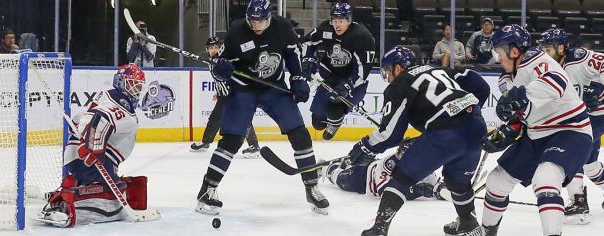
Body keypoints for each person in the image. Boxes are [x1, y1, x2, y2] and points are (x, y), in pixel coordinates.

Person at [194, 0, 329, 216]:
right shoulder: (237, 31)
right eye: (253, 21)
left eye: (261, 21)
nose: (256, 25)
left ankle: (312, 187)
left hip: (273, 88)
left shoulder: (282, 27)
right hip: (243, 90)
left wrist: (297, 79)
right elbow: (222, 68)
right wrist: (223, 69)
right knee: (232, 140)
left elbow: (293, 55)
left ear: (270, 17)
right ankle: (206, 191)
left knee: (300, 134)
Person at [356, 45, 489, 236]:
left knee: (402, 177)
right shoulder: (441, 69)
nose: (388, 78)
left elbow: (391, 134)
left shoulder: (400, 83)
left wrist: (365, 146)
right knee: (457, 181)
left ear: (399, 68)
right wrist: (464, 113)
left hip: (445, 134)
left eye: (388, 71)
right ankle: (468, 222)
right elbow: (481, 86)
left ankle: (379, 229)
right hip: (476, 126)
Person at [480, 25, 593, 236]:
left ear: (514, 51)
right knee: (497, 181)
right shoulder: (507, 76)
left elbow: (556, 83)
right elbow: (523, 114)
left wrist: (524, 95)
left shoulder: (535, 60)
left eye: (500, 53)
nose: (498, 59)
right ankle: (487, 231)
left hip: (570, 130)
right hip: (537, 134)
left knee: (546, 177)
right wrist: (509, 129)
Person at [36, 64, 151, 227]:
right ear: (120, 82)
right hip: (90, 158)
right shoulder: (120, 103)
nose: (137, 90)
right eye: (133, 84)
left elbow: (77, 121)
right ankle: (66, 209)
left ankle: (67, 193)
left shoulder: (109, 96)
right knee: (113, 202)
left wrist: (89, 143)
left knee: (112, 189)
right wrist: (93, 147)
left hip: (83, 155)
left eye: (139, 86)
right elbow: (101, 118)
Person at [539, 28, 604, 225]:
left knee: (573, 154)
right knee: (589, 163)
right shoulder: (548, 67)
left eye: (548, 49)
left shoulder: (579, 59)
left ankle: (579, 203)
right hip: (581, 115)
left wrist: (601, 89)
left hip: (597, 115)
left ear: (562, 48)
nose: (543, 53)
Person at [302, 2, 375, 140]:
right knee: (317, 123)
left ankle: (336, 121)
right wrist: (308, 61)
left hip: (354, 82)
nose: (337, 25)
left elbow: (363, 70)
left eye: (341, 21)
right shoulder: (326, 29)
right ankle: (333, 116)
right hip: (330, 77)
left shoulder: (362, 37)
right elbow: (308, 42)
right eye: (334, 20)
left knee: (335, 106)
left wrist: (347, 86)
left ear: (349, 20)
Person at [190, 36, 261, 158]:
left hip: (235, 94)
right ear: (207, 49)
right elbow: (219, 80)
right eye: (211, 47)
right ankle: (206, 142)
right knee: (215, 119)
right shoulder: (212, 61)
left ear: (221, 48)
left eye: (216, 47)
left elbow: (223, 76)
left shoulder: (222, 60)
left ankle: (254, 146)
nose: (213, 49)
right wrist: (218, 92)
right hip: (224, 96)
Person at [325, 138, 447, 201]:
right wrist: (416, 191)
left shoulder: (422, 165)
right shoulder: (390, 163)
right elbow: (384, 190)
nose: (400, 154)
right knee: (339, 179)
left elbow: (435, 183)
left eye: (404, 153)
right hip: (363, 179)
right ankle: (328, 168)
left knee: (354, 166)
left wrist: (439, 189)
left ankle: (348, 164)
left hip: (373, 166)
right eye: (400, 151)